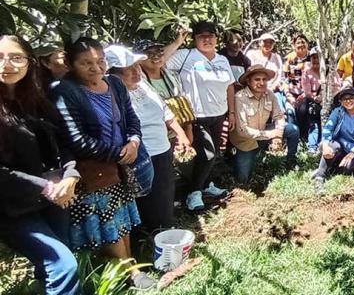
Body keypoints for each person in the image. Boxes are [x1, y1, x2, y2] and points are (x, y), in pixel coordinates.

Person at [50, 37, 154, 290]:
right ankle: (130, 273)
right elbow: (76, 140)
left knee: (124, 218)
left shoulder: (115, 84)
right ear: (71, 64)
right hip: (91, 172)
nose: (96, 68)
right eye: (86, 63)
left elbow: (131, 117)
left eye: (100, 61)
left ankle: (132, 266)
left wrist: (134, 140)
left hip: (120, 167)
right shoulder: (65, 91)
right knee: (109, 222)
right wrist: (117, 153)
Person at [0, 35, 81, 295]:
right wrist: (46, 187)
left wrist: (71, 175)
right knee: (63, 264)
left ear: (30, 62)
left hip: (55, 197)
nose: (7, 64)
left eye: (16, 57)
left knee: (49, 266)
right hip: (12, 207)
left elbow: (63, 144)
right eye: (0, 58)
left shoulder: (39, 99)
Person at [106, 45, 192, 232]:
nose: (135, 71)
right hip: (142, 156)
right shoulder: (112, 95)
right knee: (148, 200)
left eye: (136, 66)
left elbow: (165, 111)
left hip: (162, 149)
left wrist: (181, 133)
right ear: (112, 74)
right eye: (127, 69)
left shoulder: (143, 82)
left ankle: (165, 231)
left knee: (165, 193)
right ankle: (154, 238)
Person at [164, 21, 233, 211]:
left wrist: (231, 113)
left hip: (219, 115)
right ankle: (193, 193)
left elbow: (229, 86)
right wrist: (178, 41)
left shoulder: (222, 60)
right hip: (196, 117)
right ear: (194, 39)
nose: (207, 39)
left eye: (210, 35)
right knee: (208, 155)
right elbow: (161, 60)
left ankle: (207, 186)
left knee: (212, 154)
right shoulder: (186, 56)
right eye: (201, 36)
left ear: (217, 38)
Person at [230, 65, 300, 184]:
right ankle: (232, 159)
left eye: (264, 79)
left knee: (293, 129)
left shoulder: (270, 94)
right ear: (248, 81)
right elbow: (243, 130)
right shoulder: (240, 98)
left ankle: (291, 160)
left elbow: (279, 117)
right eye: (257, 79)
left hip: (263, 132)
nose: (261, 83)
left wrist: (278, 135)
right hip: (246, 141)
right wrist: (270, 135)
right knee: (243, 179)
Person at [312, 87, 354, 188]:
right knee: (330, 146)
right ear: (341, 101)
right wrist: (325, 144)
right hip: (340, 147)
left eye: (351, 97)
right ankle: (320, 176)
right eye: (344, 99)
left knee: (349, 168)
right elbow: (328, 128)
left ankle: (329, 167)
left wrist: (353, 153)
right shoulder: (338, 112)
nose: (348, 101)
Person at [298, 48, 323, 153]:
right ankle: (312, 147)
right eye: (313, 57)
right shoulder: (307, 72)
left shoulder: (328, 71)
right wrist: (315, 98)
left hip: (326, 101)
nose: (316, 60)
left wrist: (323, 97)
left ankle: (322, 145)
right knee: (314, 123)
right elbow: (306, 90)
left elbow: (336, 86)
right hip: (313, 102)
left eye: (318, 57)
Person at [284, 34, 310, 105]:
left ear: (307, 44)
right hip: (291, 93)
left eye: (303, 42)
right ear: (294, 45)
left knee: (303, 110)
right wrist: (288, 95)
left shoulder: (313, 58)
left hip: (308, 94)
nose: (301, 45)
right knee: (289, 112)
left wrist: (305, 94)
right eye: (298, 43)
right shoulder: (289, 58)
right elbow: (284, 79)